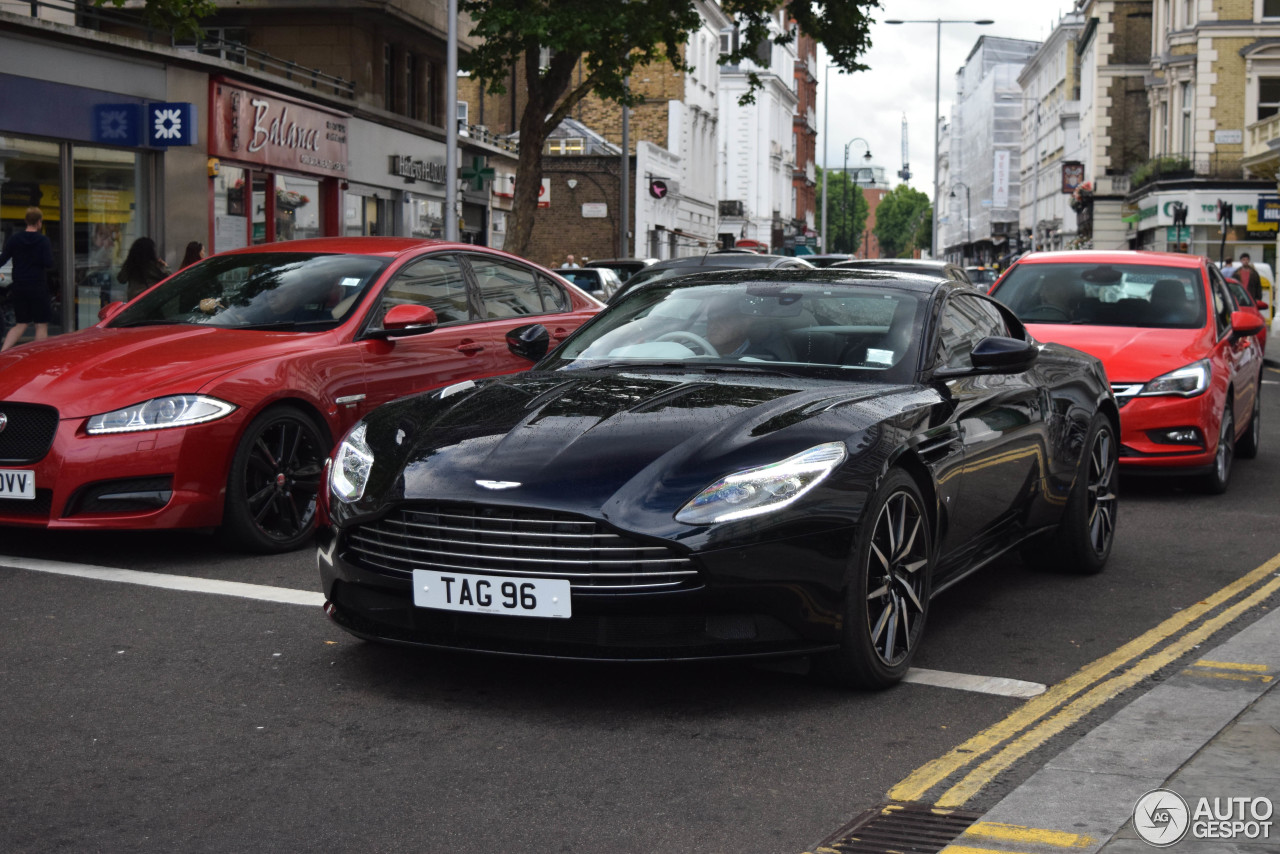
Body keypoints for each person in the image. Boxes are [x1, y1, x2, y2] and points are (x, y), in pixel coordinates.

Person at [0, 207, 56, 352]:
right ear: (39, 222)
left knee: (21, 323)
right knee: (41, 324)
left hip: (19, 286)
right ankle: (39, 356)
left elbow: (3, 259)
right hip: (37, 286)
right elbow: (49, 263)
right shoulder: (43, 241)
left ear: (26, 221)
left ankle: (3, 352)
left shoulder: (15, 239)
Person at [117, 236, 169, 301]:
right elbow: (168, 279)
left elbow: (121, 279)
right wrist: (165, 266)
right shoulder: (155, 266)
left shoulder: (131, 266)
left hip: (134, 301)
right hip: (152, 299)